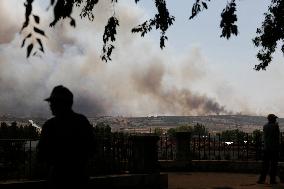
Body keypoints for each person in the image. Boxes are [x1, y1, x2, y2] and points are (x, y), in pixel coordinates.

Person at [37, 85, 95, 189]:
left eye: (53, 102)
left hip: (58, 179)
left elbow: (41, 155)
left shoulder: (50, 126)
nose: (50, 105)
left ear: (62, 103)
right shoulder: (82, 122)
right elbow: (92, 148)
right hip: (80, 177)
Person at [257, 114, 280, 184]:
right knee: (273, 165)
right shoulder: (275, 126)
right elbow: (277, 137)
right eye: (275, 118)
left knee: (265, 165)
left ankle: (261, 179)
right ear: (272, 119)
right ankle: (272, 180)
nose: (276, 119)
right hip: (273, 148)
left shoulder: (265, 126)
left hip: (266, 148)